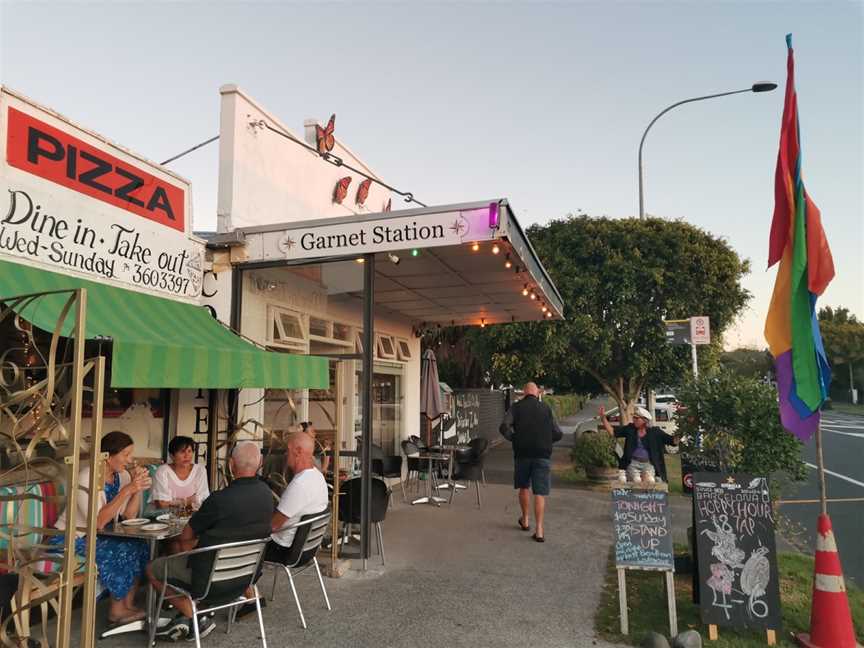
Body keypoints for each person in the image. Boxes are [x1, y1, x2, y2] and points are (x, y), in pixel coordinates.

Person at [148, 441, 274, 641]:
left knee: (153, 568)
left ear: (231, 465)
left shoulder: (219, 500)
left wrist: (195, 550)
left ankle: (193, 614)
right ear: (260, 463)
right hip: (247, 576)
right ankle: (197, 611)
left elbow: (186, 536)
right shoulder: (267, 495)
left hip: (208, 580)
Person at [49, 431, 152, 625]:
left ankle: (126, 605)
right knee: (121, 550)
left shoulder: (120, 476)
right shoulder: (86, 478)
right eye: (126, 454)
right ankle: (116, 611)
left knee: (140, 546)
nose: (130, 460)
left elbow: (129, 516)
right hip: (72, 538)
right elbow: (97, 523)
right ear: (107, 455)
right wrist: (128, 490)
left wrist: (136, 490)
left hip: (97, 536)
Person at [499, 382, 563, 543]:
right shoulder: (547, 408)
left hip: (523, 454)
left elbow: (504, 426)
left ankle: (526, 519)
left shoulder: (516, 407)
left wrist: (514, 438)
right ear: (537, 393)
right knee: (540, 492)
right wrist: (547, 440)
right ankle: (539, 529)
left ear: (524, 393)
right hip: (543, 454)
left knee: (524, 487)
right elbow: (558, 433)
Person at [267, 431, 329, 560]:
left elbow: (272, 526)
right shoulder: (318, 476)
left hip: (284, 549)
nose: (285, 454)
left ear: (298, 451)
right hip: (308, 548)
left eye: (287, 450)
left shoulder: (300, 485)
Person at [599, 405, 677, 483]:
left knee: (650, 481)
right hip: (632, 463)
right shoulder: (630, 429)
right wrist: (603, 418)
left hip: (648, 464)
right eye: (634, 418)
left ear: (645, 420)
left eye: (637, 418)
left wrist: (683, 429)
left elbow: (673, 441)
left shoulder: (655, 432)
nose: (634, 420)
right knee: (636, 480)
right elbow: (613, 432)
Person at [151, 436, 210, 510]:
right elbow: (161, 504)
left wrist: (173, 502)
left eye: (189, 451)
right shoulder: (163, 471)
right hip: (166, 518)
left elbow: (203, 500)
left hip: (194, 517)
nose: (187, 456)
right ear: (172, 455)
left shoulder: (200, 470)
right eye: (182, 452)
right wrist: (188, 501)